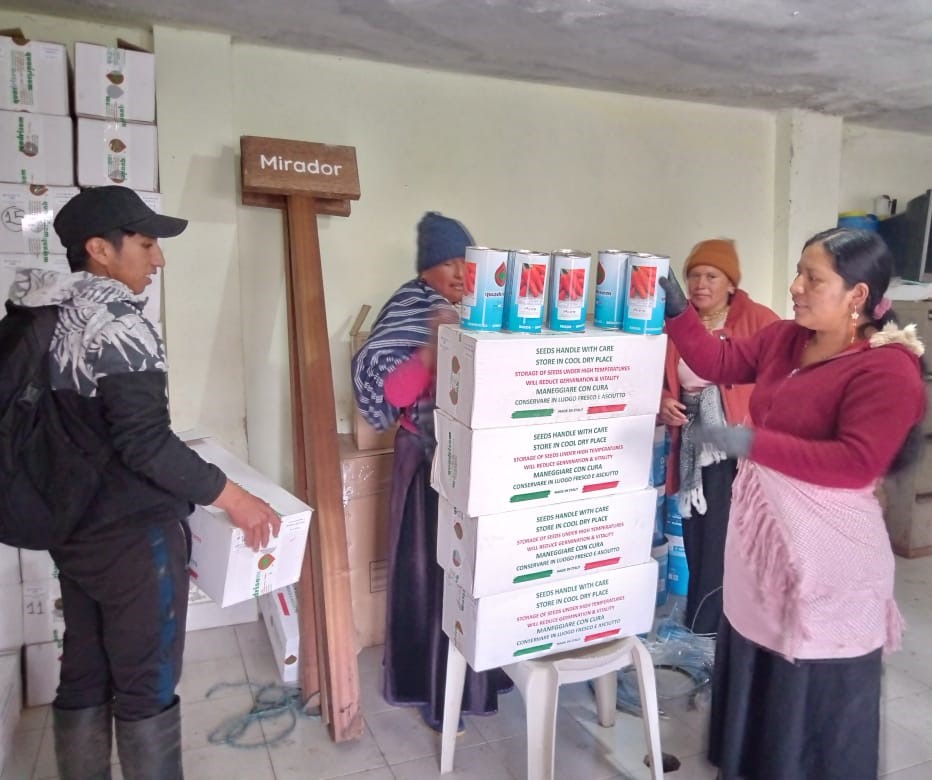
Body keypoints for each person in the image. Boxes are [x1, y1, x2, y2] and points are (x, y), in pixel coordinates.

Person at [8, 186, 283, 780]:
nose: (159, 260)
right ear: (100, 249)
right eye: (146, 244)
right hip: (132, 539)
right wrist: (236, 497)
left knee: (85, 668)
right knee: (147, 684)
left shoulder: (47, 314)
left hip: (74, 529)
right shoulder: (118, 324)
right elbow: (145, 444)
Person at [660, 228, 925, 780]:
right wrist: (679, 311)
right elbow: (717, 360)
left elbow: (855, 462)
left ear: (856, 294)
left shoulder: (887, 368)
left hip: (828, 557)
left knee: (806, 674)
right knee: (758, 651)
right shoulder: (785, 339)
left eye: (813, 277)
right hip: (765, 547)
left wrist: (753, 443)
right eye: (799, 272)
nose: (795, 286)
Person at [352, 212, 510, 732]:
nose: (462, 273)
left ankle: (480, 680)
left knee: (473, 574)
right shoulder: (410, 309)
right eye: (449, 263)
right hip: (425, 460)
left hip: (475, 462)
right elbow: (393, 394)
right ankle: (432, 688)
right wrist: (431, 347)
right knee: (431, 574)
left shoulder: (481, 311)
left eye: (467, 262)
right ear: (426, 267)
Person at [659, 239, 778, 634]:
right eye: (693, 275)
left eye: (711, 276)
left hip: (735, 450)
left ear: (731, 283)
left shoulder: (759, 320)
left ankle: (713, 627)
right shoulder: (673, 324)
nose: (700, 284)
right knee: (696, 533)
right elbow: (653, 377)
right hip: (692, 444)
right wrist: (663, 401)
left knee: (724, 539)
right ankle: (702, 622)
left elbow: (780, 381)